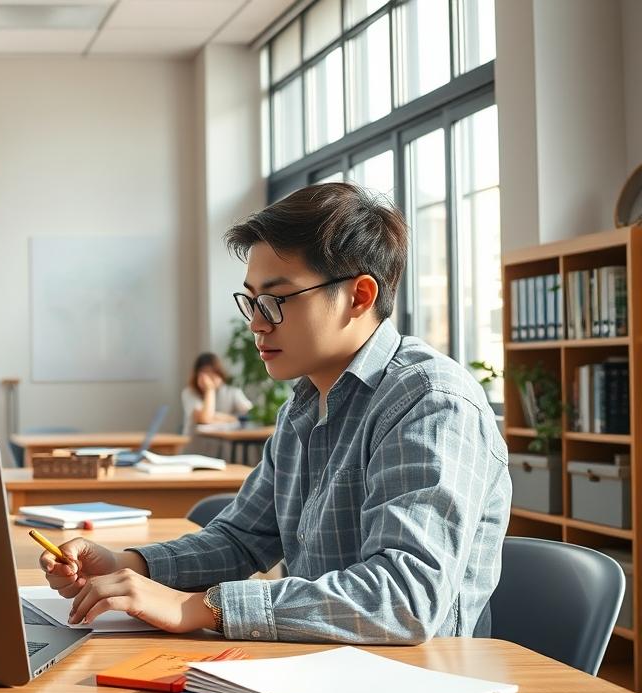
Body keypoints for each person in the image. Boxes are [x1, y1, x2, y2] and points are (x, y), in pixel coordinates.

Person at [39, 182, 510, 644]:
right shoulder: (303, 407)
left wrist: (200, 607)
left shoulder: (430, 402)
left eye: (277, 300)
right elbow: (241, 539)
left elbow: (404, 599)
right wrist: (127, 565)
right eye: (252, 300)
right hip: (316, 672)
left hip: (417, 690)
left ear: (360, 296)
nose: (256, 323)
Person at [180, 353, 252, 433]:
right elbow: (205, 419)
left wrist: (216, 417)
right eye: (205, 372)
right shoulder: (189, 393)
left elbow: (251, 415)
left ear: (220, 374)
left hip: (223, 444)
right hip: (196, 443)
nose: (210, 377)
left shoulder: (232, 392)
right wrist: (210, 389)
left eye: (213, 372)